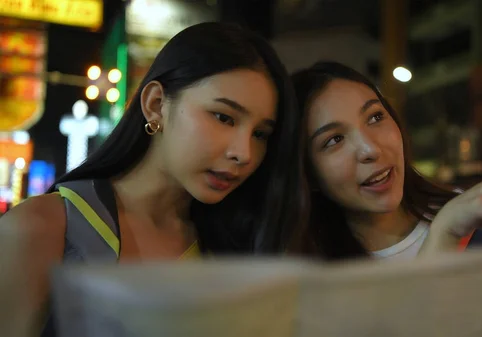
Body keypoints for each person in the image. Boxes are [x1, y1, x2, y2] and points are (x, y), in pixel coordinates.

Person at [0, 22, 308, 335]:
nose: (244, 153)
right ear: (156, 104)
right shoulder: (42, 228)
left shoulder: (234, 249)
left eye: (260, 134)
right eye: (224, 117)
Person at [291, 61, 482, 260]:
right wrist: (444, 236)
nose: (369, 149)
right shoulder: (309, 280)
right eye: (334, 140)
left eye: (375, 117)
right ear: (308, 173)